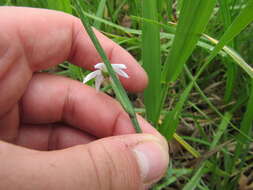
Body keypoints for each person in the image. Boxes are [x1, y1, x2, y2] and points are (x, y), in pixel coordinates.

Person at [0, 6, 169, 190]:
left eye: (107, 74)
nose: (105, 78)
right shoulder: (101, 71)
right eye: (105, 74)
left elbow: (118, 74)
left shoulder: (111, 70)